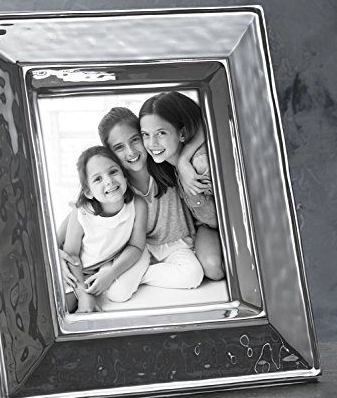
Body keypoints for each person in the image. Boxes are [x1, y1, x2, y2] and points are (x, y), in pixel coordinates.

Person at [97, 107, 204, 290]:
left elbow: (204, 123)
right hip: (140, 249)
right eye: (119, 147)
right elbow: (81, 209)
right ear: (110, 154)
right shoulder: (115, 183)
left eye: (135, 140)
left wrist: (184, 159)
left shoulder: (165, 162)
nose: (131, 152)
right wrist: (57, 248)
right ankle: (131, 276)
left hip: (177, 244)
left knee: (192, 275)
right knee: (117, 292)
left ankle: (140, 276)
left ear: (144, 136)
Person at [138, 91, 225, 281]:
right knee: (214, 270)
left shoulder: (200, 164)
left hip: (229, 223)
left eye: (161, 133)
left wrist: (184, 159)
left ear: (182, 134)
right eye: (146, 135)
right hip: (207, 226)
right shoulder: (165, 164)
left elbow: (214, 114)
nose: (152, 143)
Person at [62, 145, 149, 313]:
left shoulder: (138, 205)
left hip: (105, 265)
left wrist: (111, 274)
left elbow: (136, 246)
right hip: (78, 271)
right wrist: (83, 294)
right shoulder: (81, 212)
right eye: (98, 179)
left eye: (113, 172)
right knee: (64, 306)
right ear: (88, 192)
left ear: (125, 176)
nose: (109, 181)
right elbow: (71, 256)